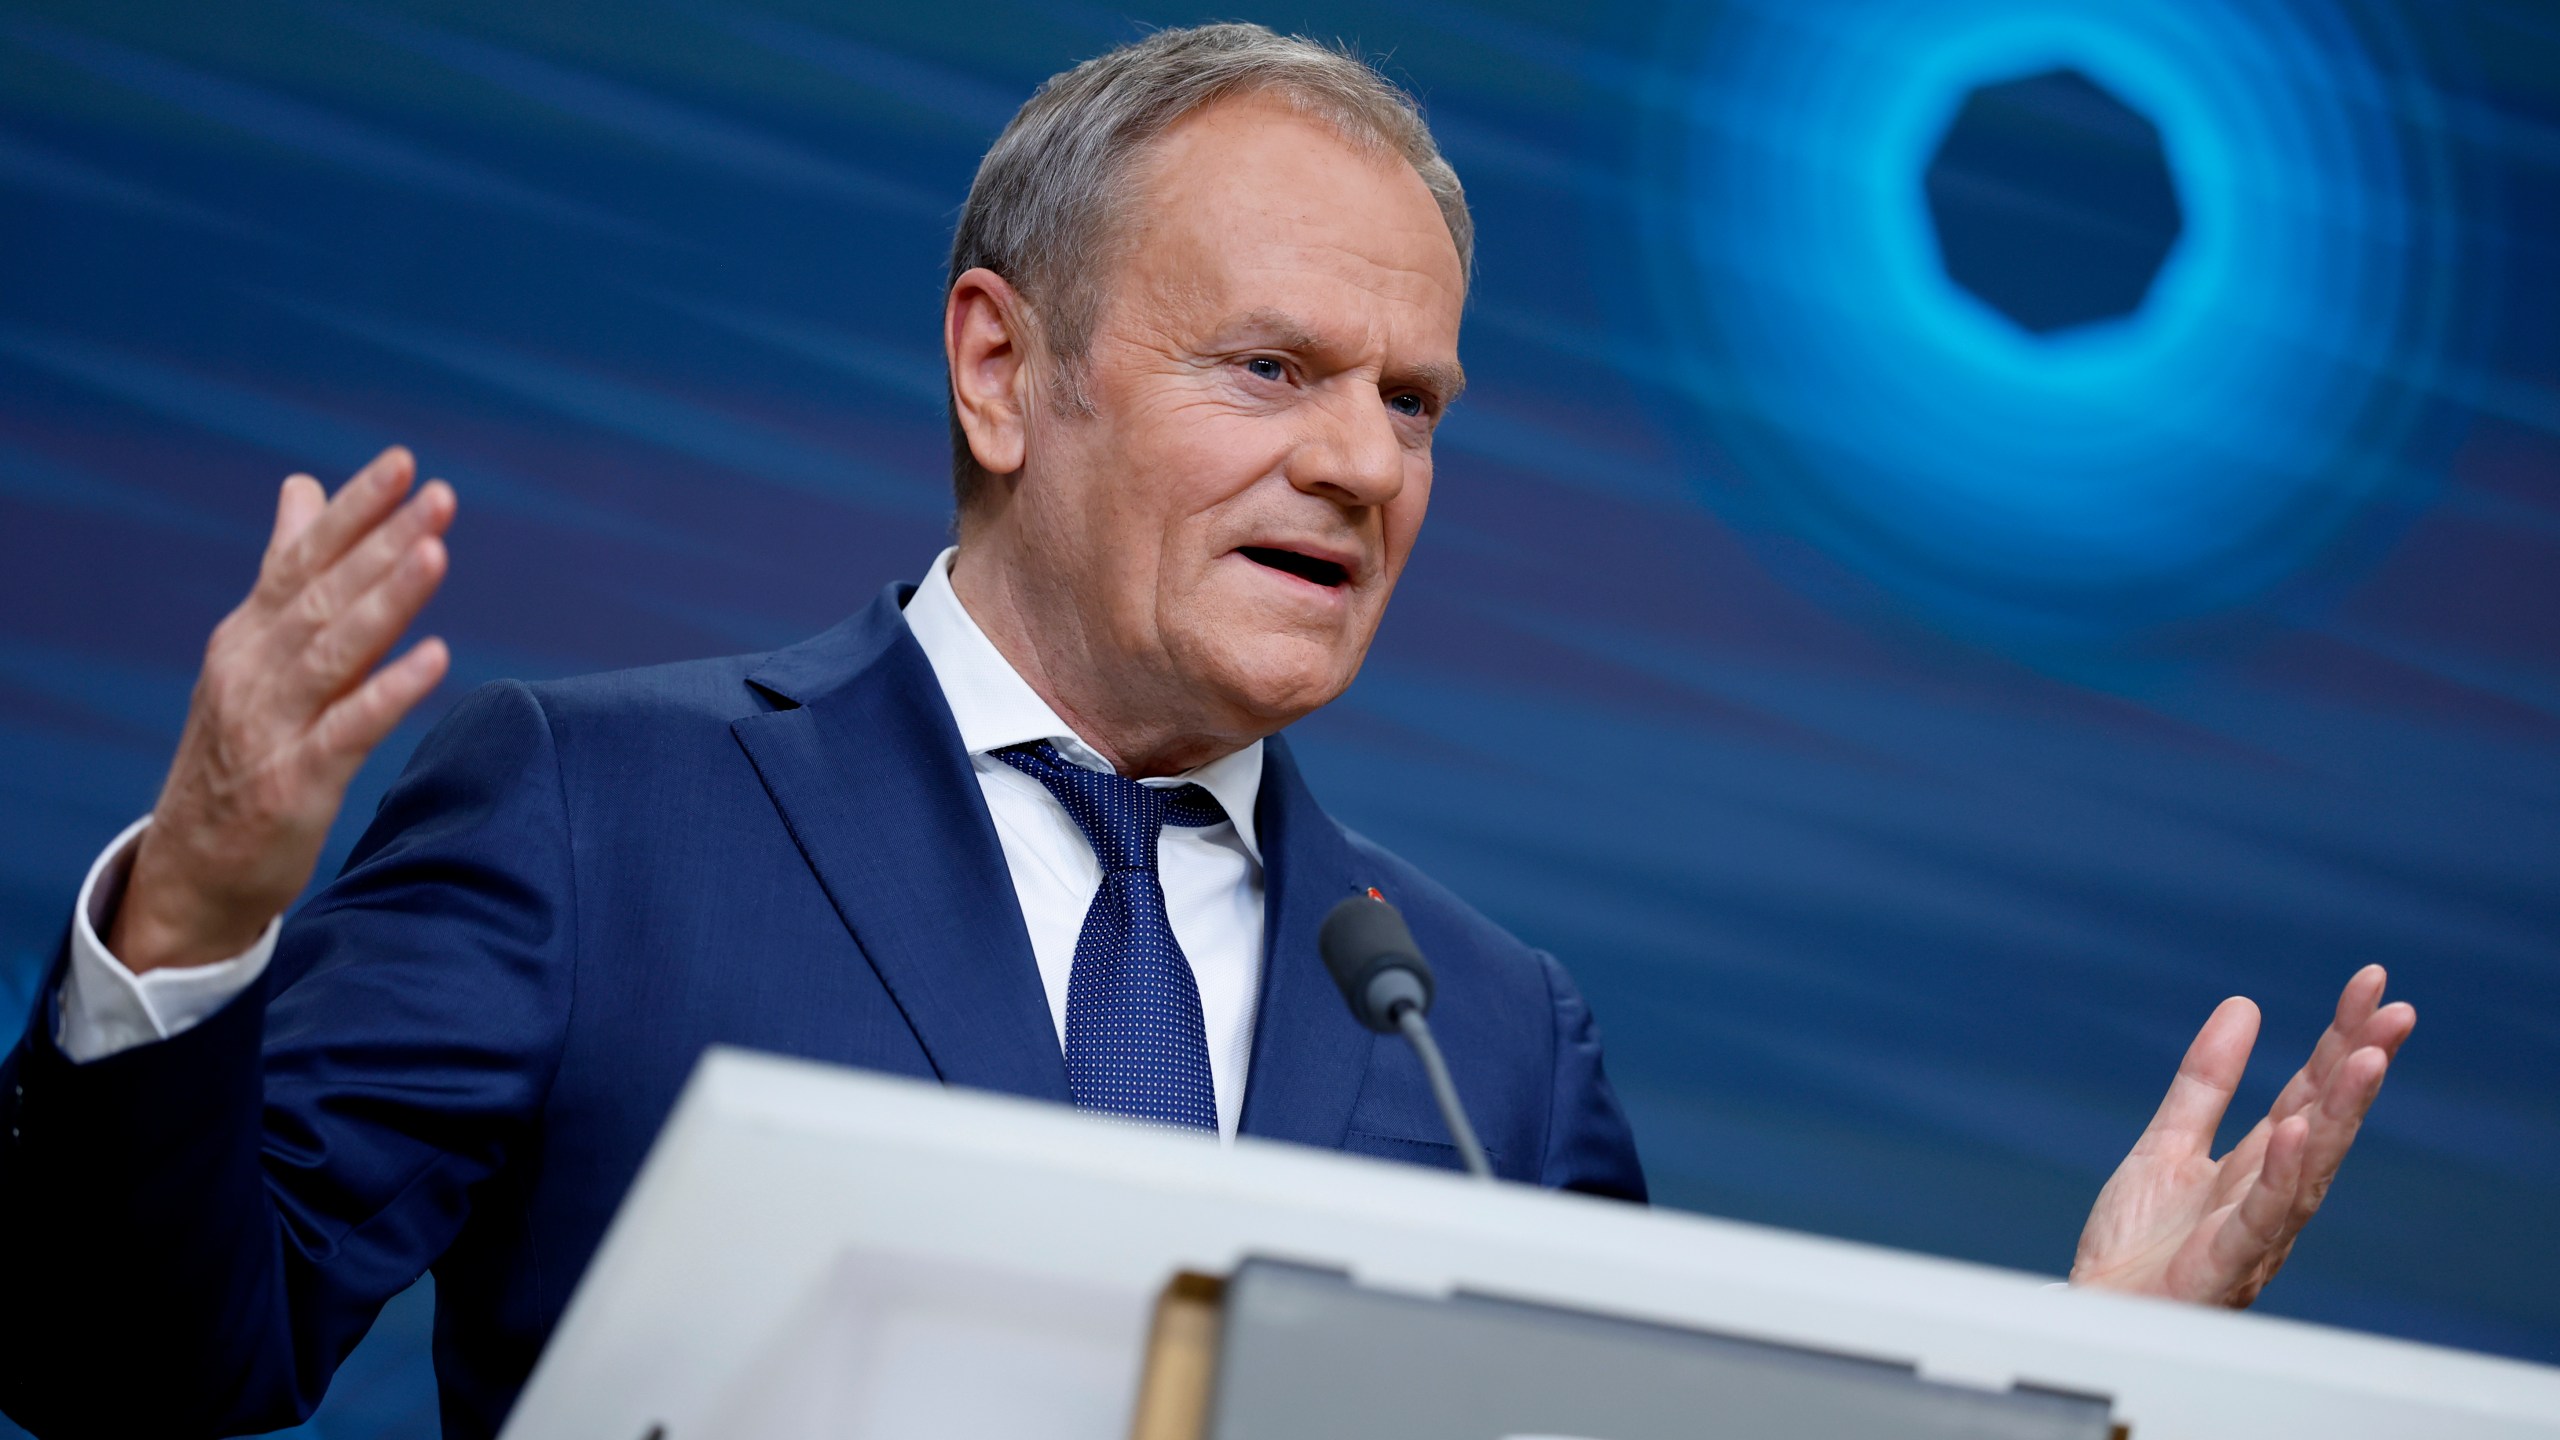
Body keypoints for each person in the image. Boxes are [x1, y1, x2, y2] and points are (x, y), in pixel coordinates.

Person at [0, 23, 2415, 1440]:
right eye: (1269, 369)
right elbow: (132, 1377)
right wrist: (202, 905)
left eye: (1413, 399)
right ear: (997, 371)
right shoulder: (598, 810)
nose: (1364, 461)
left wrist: (2088, 1389)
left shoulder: (1481, 1033)